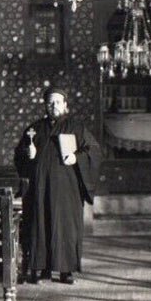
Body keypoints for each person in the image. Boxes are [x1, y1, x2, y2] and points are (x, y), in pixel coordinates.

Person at [14, 86, 101, 284]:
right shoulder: (34, 129)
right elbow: (19, 156)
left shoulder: (76, 127)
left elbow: (94, 151)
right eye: (50, 102)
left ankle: (66, 271)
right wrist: (28, 156)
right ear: (45, 105)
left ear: (65, 105)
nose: (54, 106)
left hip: (67, 190)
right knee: (40, 224)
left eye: (58, 102)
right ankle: (39, 268)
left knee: (65, 227)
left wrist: (76, 157)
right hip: (40, 188)